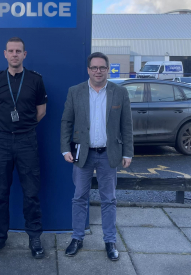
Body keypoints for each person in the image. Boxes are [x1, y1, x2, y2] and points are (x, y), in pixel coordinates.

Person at [60, 52, 133, 261]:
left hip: (108, 154)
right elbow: (66, 121)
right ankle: (77, 238)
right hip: (83, 154)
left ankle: (110, 241)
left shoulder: (120, 93)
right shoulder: (76, 92)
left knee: (109, 199)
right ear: (88, 70)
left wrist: (128, 152)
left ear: (107, 69)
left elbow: (126, 125)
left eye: (102, 67)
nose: (98, 71)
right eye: (94, 68)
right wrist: (66, 149)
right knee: (79, 197)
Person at [0, 37, 47, 259]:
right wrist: (7, 124)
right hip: (1, 140)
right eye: (10, 51)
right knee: (0, 192)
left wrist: (23, 127)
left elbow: (41, 111)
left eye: (18, 51)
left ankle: (35, 237)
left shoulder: (35, 80)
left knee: (31, 192)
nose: (14, 54)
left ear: (24, 54)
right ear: (5, 54)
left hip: (26, 140)